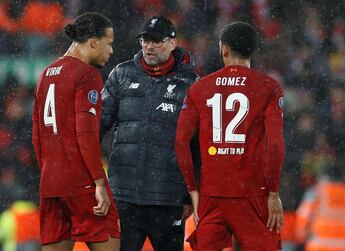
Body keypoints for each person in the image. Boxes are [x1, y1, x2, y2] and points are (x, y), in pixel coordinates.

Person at [175, 22, 285, 251]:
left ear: (223, 49)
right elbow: (275, 145)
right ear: (253, 50)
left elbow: (181, 142)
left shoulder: (199, 88)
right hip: (252, 193)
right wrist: (273, 193)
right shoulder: (269, 87)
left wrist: (193, 190)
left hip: (211, 193)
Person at [100, 16, 199, 251]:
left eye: (156, 41)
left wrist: (189, 193)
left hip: (168, 198)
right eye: (145, 40)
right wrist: (95, 180)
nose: (148, 46)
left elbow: (197, 145)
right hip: (124, 196)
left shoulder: (192, 83)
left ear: (172, 43)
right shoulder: (121, 74)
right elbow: (96, 127)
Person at [32, 12, 120, 251]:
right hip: (82, 182)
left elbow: (37, 137)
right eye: (109, 43)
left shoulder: (44, 75)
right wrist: (99, 182)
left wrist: (49, 174)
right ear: (93, 41)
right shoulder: (87, 74)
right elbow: (85, 133)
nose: (111, 51)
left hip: (50, 184)